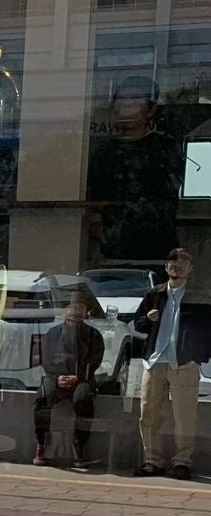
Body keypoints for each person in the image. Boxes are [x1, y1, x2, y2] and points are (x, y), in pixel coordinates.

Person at [87, 76, 185, 267]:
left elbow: (170, 192)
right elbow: (95, 195)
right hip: (115, 247)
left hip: (157, 245)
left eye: (134, 101)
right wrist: (96, 223)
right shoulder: (104, 152)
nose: (126, 107)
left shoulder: (165, 148)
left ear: (151, 109)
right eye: (121, 101)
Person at [133, 248, 211, 479]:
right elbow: (137, 323)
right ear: (166, 268)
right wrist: (148, 319)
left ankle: (182, 462)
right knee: (148, 414)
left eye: (183, 262)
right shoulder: (154, 294)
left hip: (184, 363)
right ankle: (152, 461)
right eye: (173, 263)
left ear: (191, 269)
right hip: (155, 362)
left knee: (184, 417)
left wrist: (199, 355)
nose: (177, 266)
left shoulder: (198, 296)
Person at [33, 285, 104, 471]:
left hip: (81, 380)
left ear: (85, 312)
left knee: (83, 398)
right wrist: (57, 377)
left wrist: (78, 378)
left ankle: (79, 446)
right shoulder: (52, 334)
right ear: (65, 311)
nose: (76, 312)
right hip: (56, 379)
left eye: (80, 308)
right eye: (72, 308)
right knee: (43, 397)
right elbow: (46, 359)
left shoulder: (94, 335)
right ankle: (42, 444)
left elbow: (95, 361)